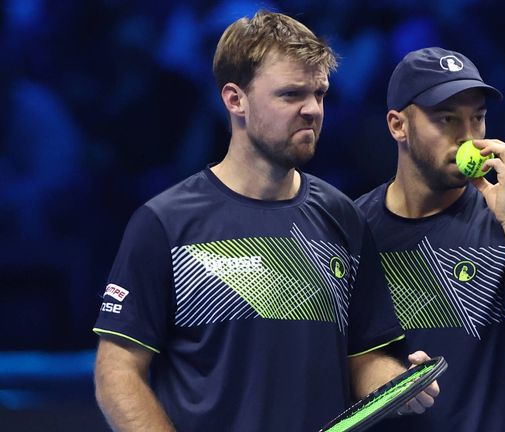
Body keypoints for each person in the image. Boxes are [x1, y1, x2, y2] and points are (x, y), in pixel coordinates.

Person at [92, 11, 436, 432]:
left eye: (320, 94)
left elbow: (363, 358)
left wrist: (396, 384)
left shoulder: (343, 216)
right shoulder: (164, 223)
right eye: (291, 95)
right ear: (235, 99)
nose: (312, 110)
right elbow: (117, 374)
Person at [356, 47, 505, 430]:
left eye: (477, 118)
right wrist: (384, 380)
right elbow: (340, 358)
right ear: (398, 125)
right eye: (446, 119)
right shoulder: (353, 228)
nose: (467, 138)